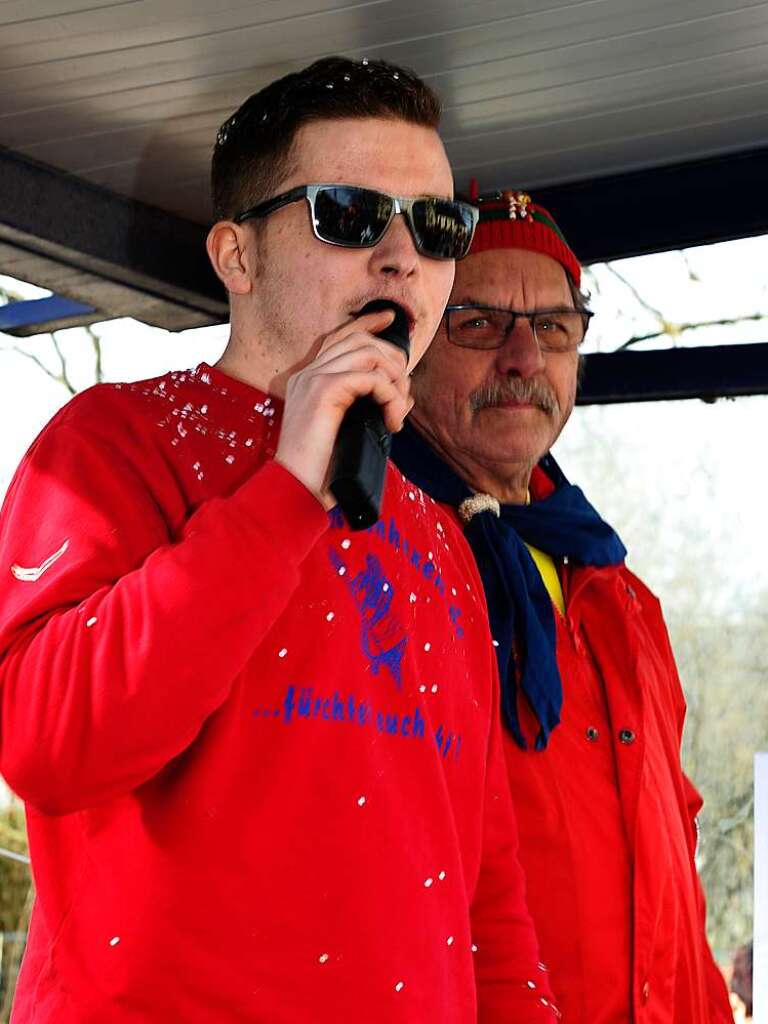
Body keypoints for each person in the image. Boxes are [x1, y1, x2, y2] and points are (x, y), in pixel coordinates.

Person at [0, 60, 560, 1023]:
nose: (400, 259)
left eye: (435, 227)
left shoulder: (438, 531)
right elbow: (52, 745)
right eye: (348, 213)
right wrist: (287, 487)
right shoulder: (112, 442)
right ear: (237, 256)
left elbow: (484, 896)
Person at [392, 185, 733, 1023]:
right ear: (411, 340)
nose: (523, 358)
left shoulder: (622, 597)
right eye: (478, 323)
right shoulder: (372, 568)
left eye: (553, 328)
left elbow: (672, 880)